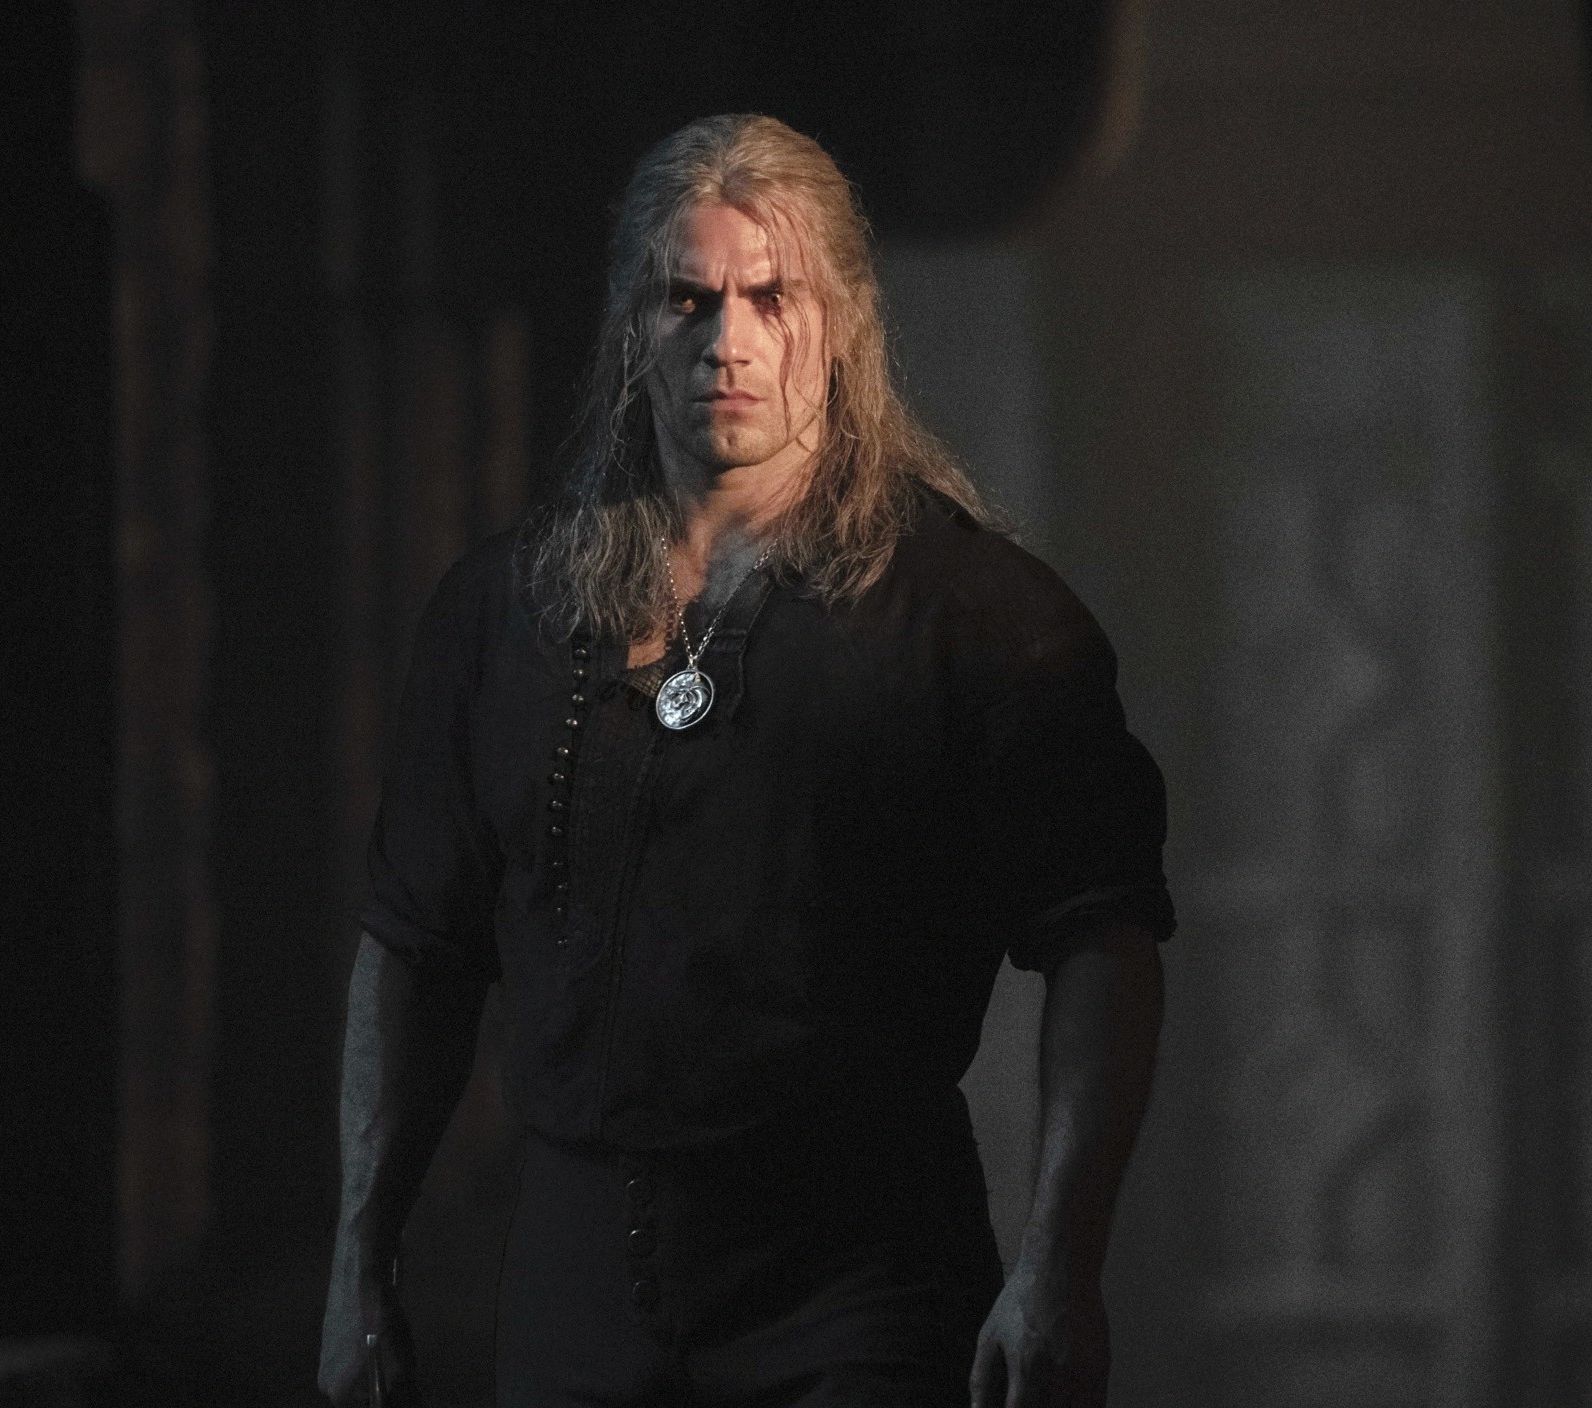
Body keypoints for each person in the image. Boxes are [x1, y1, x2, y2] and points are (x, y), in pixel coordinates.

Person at [319, 114, 1171, 1408]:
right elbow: (413, 943)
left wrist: (1061, 1265)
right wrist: (358, 1261)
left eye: (773, 298)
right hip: (574, 1276)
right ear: (634, 325)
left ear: (840, 325)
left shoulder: (983, 622)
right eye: (690, 298)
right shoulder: (507, 612)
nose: (730, 340)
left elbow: (1104, 940)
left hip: (855, 1276)